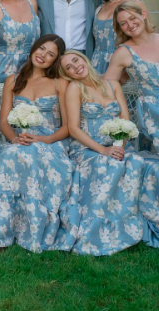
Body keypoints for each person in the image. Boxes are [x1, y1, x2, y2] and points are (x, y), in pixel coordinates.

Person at [0, 35, 73, 252]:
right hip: (19, 140)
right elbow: (4, 121)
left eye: (51, 54)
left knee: (28, 153)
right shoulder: (13, 80)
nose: (43, 55)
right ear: (33, 49)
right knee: (8, 155)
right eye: (41, 49)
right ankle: (1, 232)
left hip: (50, 143)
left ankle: (32, 230)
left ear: (55, 60)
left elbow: (67, 127)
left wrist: (43, 139)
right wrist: (15, 139)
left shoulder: (60, 84)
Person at [59, 50, 144, 255]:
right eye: (68, 68)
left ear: (84, 59)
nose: (75, 67)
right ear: (67, 74)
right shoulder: (74, 88)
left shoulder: (113, 85)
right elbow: (73, 129)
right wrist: (104, 150)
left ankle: (125, 221)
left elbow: (125, 120)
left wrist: (119, 146)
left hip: (117, 145)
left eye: (76, 60)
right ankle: (97, 227)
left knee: (135, 161)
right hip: (88, 148)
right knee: (108, 163)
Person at [104, 1, 159, 248]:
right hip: (152, 113)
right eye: (123, 23)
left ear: (143, 14)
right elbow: (108, 86)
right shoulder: (124, 52)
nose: (130, 25)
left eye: (132, 19)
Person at [90, 0, 145, 74]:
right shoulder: (100, 8)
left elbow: (144, 40)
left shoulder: (135, 3)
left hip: (122, 69)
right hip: (96, 68)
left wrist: (124, 73)